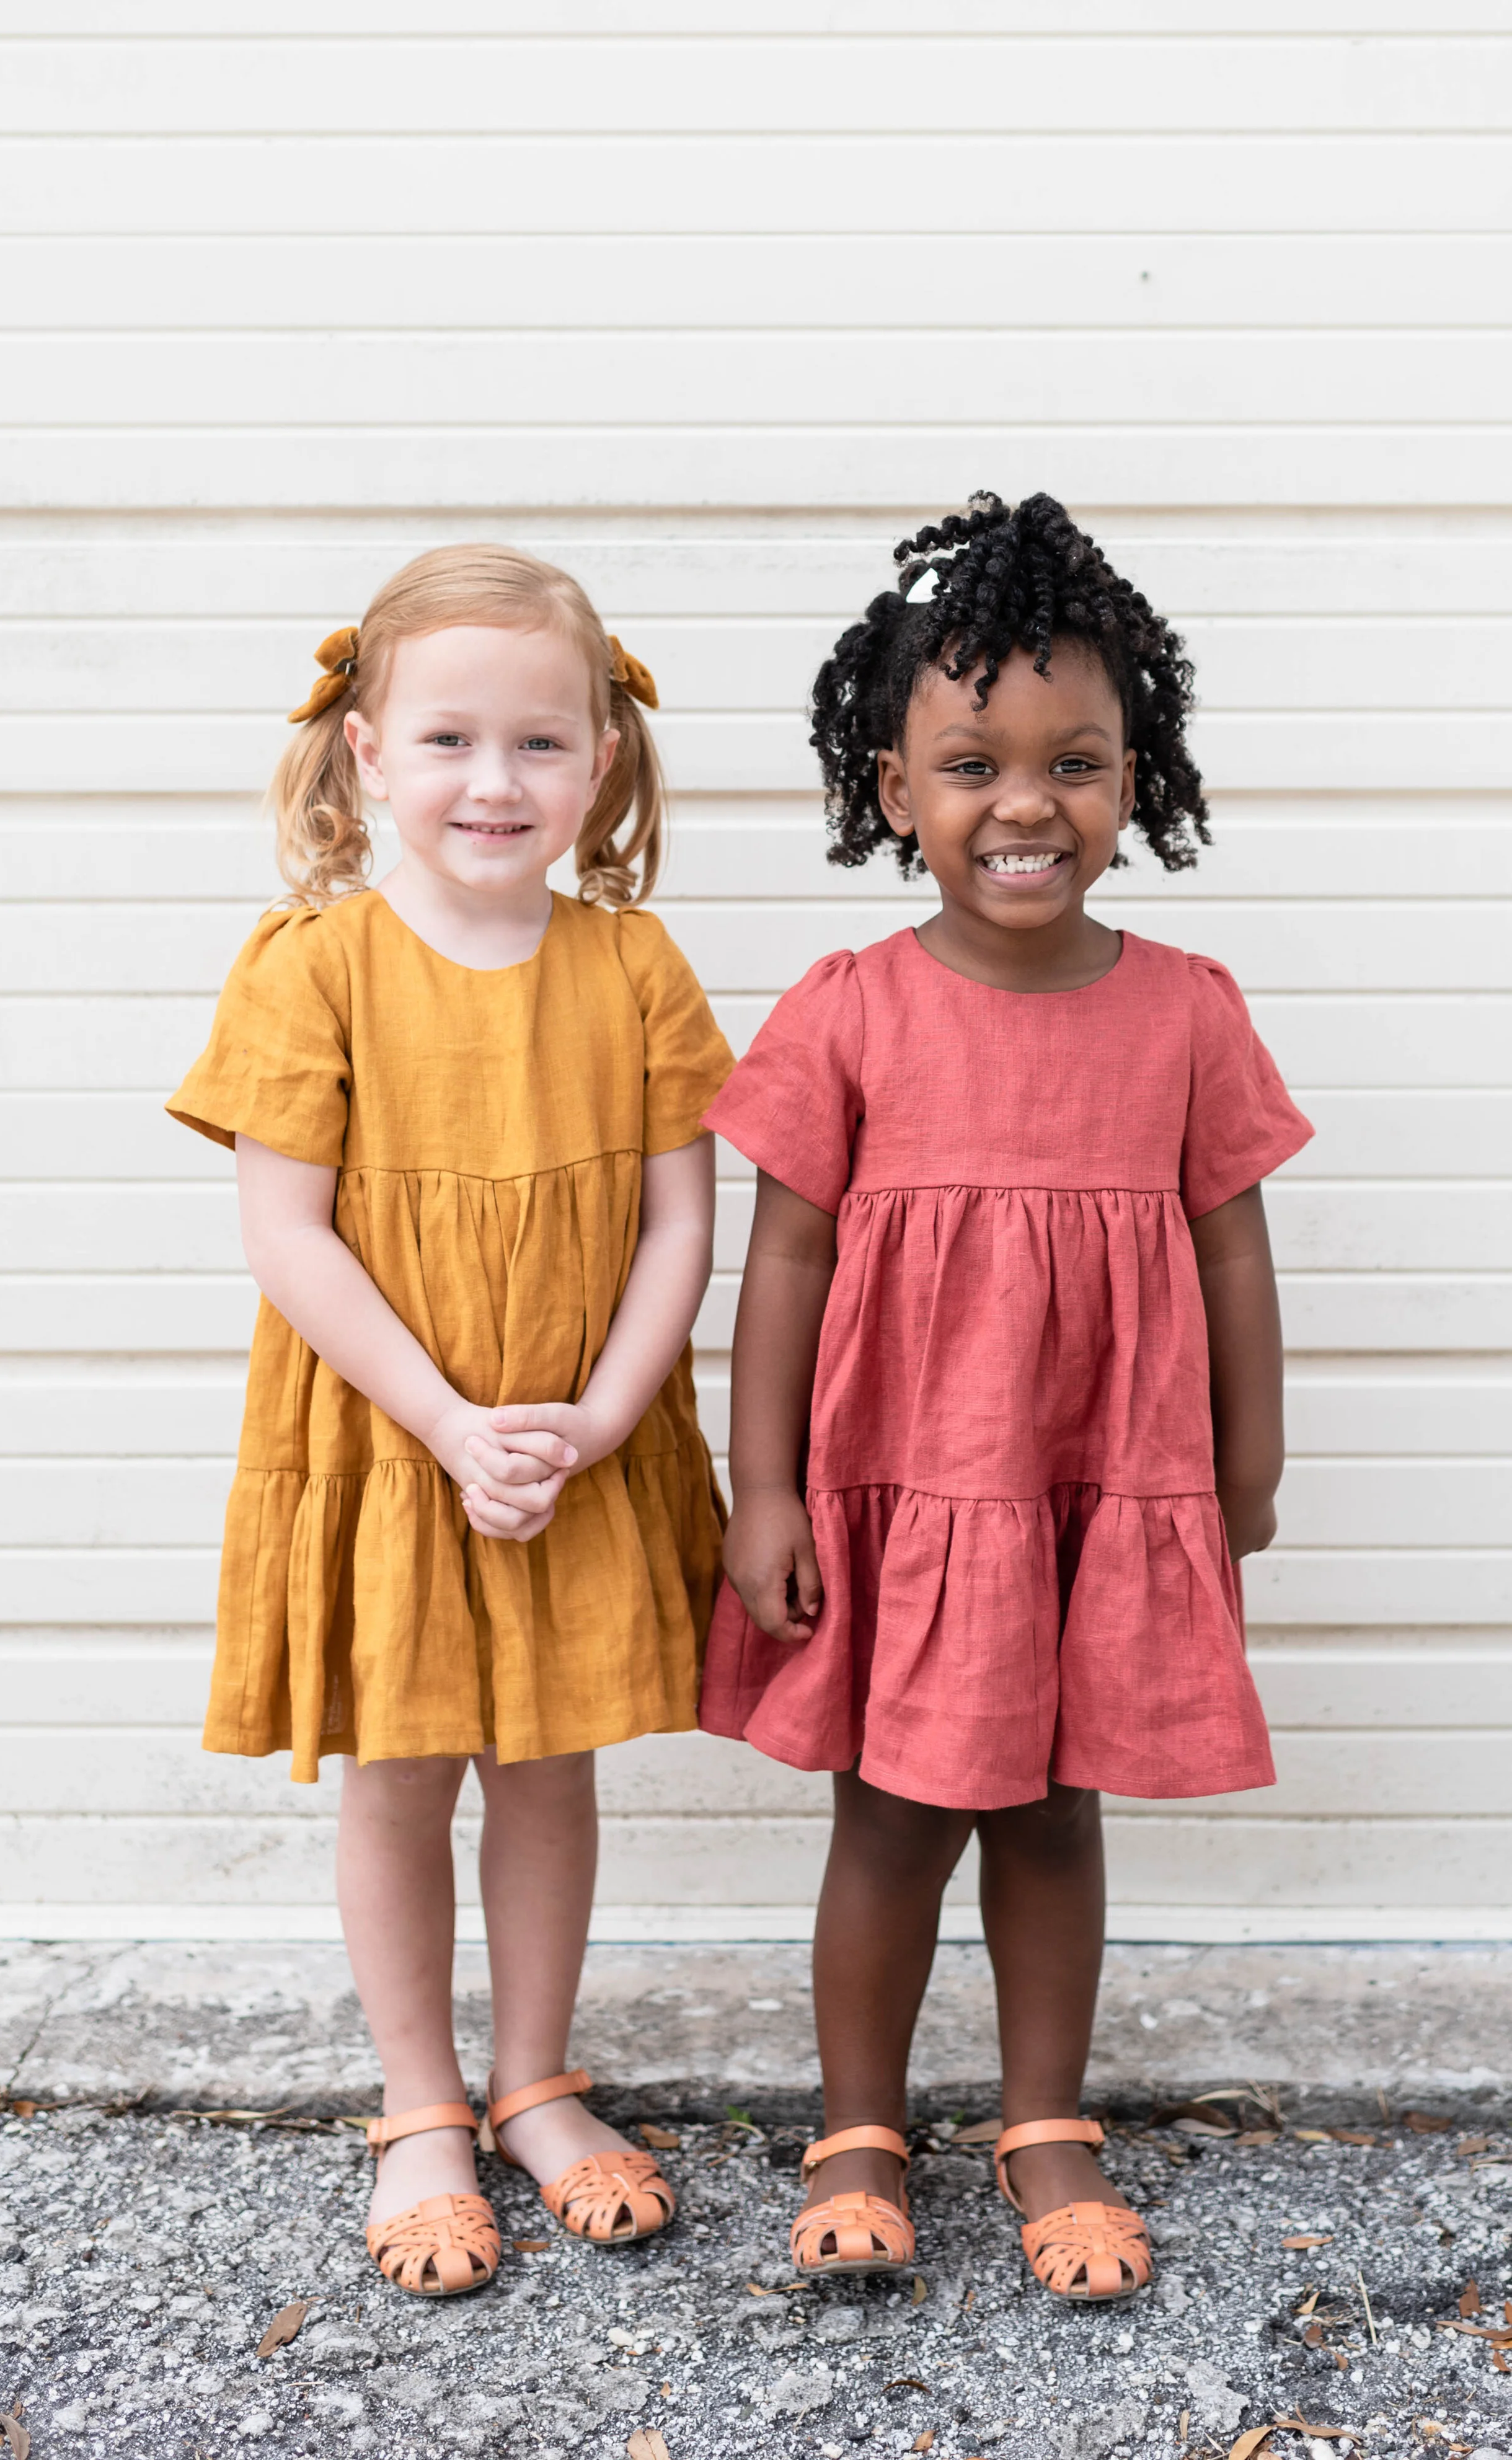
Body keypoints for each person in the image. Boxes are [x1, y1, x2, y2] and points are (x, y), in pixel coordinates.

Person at [701, 492, 1312, 2301]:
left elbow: (1233, 1258)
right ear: (895, 788)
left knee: (1052, 1806)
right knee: (890, 1810)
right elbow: (788, 1264)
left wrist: (1242, 1466)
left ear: (1140, 777)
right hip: (900, 1485)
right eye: (971, 762)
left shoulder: (1188, 1012)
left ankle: (1045, 2119)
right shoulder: (846, 1010)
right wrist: (762, 1490)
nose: (1025, 801)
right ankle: (859, 2123)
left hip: (1093, 1487)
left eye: (1076, 760)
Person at [168, 546, 731, 2296]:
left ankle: (537, 2080)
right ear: (365, 756)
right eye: (450, 740)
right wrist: (449, 1424)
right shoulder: (312, 968)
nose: (495, 783)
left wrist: (588, 1421)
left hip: (571, 1442)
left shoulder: (631, 967)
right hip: (392, 1437)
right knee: (404, 1773)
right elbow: (288, 1233)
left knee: (546, 1764)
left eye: (541, 744)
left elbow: (679, 1223)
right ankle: (420, 2104)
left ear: (602, 763)